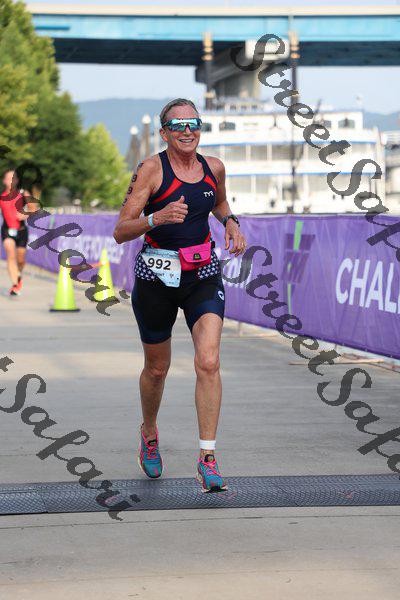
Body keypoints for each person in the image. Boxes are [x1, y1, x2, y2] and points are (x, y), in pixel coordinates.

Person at [114, 98, 247, 493]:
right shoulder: (151, 170)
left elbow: (219, 202)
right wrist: (156, 218)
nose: (187, 131)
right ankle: (149, 433)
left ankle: (207, 458)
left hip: (202, 274)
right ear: (164, 132)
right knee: (157, 369)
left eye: (194, 123)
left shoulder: (214, 167)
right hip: (157, 277)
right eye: (178, 125)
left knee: (209, 361)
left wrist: (231, 222)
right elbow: (121, 230)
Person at [0, 169, 37, 296]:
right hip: (7, 230)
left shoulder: (23, 193)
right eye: (8, 178)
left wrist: (25, 214)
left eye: (13, 178)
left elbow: (34, 208)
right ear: (4, 181)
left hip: (21, 231)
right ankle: (15, 284)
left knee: (20, 260)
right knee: (10, 254)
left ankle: (19, 274)